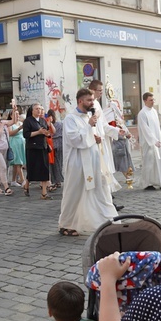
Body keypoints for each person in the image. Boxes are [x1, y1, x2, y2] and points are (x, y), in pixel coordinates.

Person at [57, 89, 118, 236]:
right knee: (74, 194)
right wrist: (89, 126)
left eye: (92, 100)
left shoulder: (91, 116)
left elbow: (95, 134)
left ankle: (106, 220)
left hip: (93, 160)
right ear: (80, 101)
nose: (92, 103)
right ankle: (65, 224)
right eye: (89, 100)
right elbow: (75, 139)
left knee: (100, 189)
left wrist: (97, 137)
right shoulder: (71, 119)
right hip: (77, 162)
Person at [136, 92, 161, 190]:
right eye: (150, 100)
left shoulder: (154, 111)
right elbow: (145, 129)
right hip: (149, 143)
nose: (153, 102)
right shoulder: (142, 113)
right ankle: (147, 183)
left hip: (158, 140)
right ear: (145, 101)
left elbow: (157, 127)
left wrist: (159, 139)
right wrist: (153, 141)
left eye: (153, 100)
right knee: (149, 162)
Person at [23, 103, 52, 200]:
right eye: (36, 109)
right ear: (32, 110)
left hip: (42, 147)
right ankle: (27, 185)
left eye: (40, 109)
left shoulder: (43, 121)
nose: (39, 110)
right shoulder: (28, 121)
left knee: (44, 169)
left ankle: (44, 193)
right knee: (32, 169)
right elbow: (26, 135)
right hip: (32, 148)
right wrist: (38, 132)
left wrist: (47, 134)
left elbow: (47, 132)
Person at [7, 107, 26, 186]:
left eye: (18, 114)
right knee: (18, 162)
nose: (17, 116)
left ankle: (13, 180)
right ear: (11, 116)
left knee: (17, 163)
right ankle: (23, 180)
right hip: (14, 143)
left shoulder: (21, 123)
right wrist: (19, 128)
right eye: (15, 114)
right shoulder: (10, 123)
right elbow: (10, 133)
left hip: (21, 143)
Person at [48, 109, 64, 190]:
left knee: (55, 164)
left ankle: (56, 181)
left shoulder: (57, 124)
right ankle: (57, 181)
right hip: (57, 144)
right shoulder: (59, 124)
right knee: (57, 164)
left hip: (54, 144)